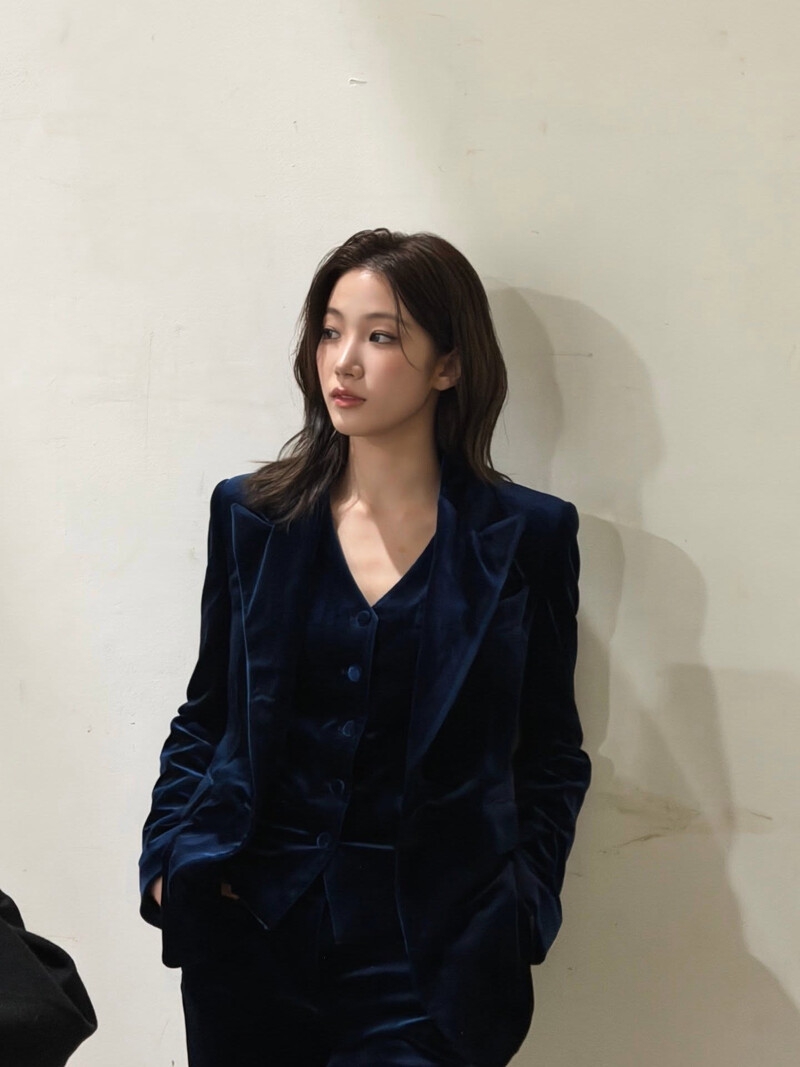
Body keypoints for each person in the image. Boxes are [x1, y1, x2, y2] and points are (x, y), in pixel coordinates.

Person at [139, 227, 591, 1067]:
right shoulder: (253, 516)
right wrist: (169, 858)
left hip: (429, 956)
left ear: (448, 365)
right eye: (330, 330)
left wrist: (524, 908)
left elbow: (550, 753)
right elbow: (208, 714)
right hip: (248, 931)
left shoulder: (527, 536)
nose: (343, 361)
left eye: (381, 336)